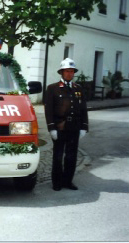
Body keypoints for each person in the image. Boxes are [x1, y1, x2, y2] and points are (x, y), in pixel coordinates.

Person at [45, 58, 88, 191]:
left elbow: (83, 109)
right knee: (58, 156)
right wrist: (51, 128)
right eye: (67, 71)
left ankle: (67, 181)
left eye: (71, 71)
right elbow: (49, 110)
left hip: (74, 127)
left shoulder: (78, 88)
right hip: (59, 128)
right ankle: (57, 182)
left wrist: (84, 127)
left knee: (71, 156)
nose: (69, 73)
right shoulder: (53, 88)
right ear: (62, 72)